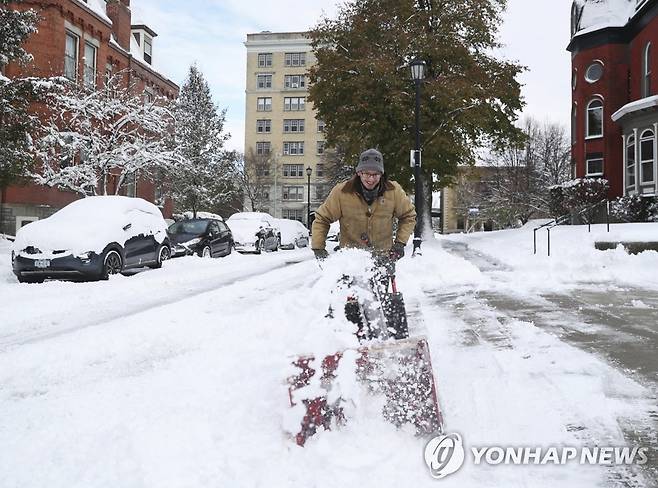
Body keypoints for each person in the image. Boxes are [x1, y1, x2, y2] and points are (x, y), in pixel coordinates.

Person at [311, 148, 416, 262]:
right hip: (350, 260)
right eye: (366, 173)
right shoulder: (342, 192)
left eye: (375, 174)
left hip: (383, 259)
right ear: (359, 173)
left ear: (381, 174)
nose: (371, 179)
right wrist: (318, 247)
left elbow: (408, 216)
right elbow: (322, 218)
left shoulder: (394, 191)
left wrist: (400, 243)